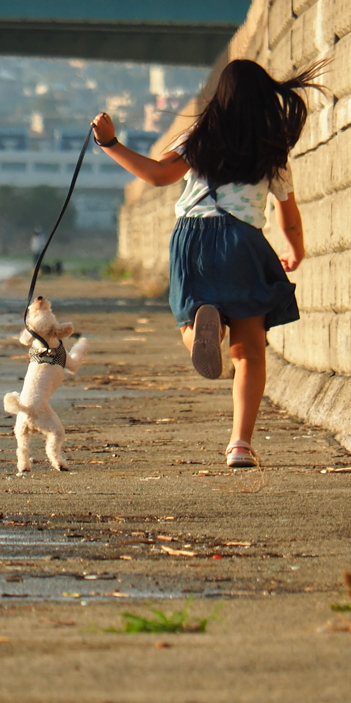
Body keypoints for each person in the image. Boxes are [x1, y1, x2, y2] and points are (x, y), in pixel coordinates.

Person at [91, 59, 325, 468]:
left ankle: (205, 326)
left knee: (189, 324)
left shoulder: (198, 136)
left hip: (193, 240)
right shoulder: (271, 150)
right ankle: (240, 444)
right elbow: (287, 213)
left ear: (221, 96)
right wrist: (294, 249)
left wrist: (111, 144)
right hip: (243, 243)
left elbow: (158, 175)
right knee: (250, 351)